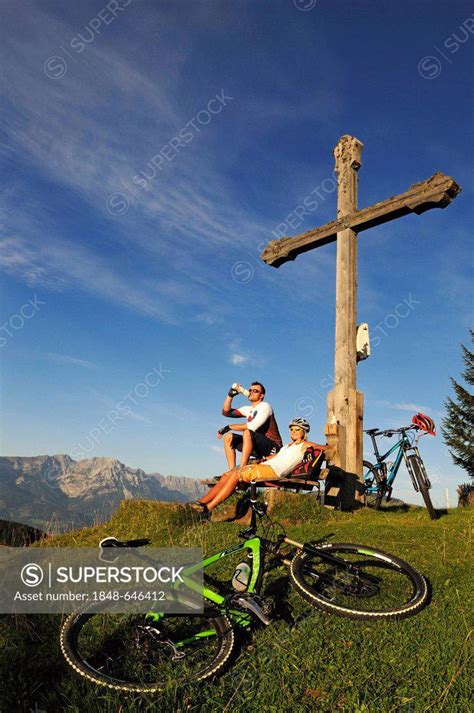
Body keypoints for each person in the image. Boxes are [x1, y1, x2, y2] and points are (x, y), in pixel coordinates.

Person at [191, 418, 322, 516]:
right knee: (228, 474)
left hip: (274, 471)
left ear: (303, 432)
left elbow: (325, 448)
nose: (293, 432)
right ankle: (201, 502)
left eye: (297, 429)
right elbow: (275, 457)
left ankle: (209, 508)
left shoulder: (305, 444)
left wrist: (325, 447)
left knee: (237, 474)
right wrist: (262, 459)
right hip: (266, 466)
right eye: (292, 429)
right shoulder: (287, 447)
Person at [217, 381, 282, 469]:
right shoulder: (247, 409)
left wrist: (229, 427)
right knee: (229, 437)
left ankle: (242, 469)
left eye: (255, 391)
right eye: (250, 390)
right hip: (257, 446)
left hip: (273, 447)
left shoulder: (265, 406)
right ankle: (232, 471)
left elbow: (251, 426)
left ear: (261, 395)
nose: (251, 392)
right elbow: (226, 412)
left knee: (247, 431)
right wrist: (230, 395)